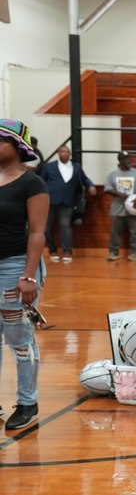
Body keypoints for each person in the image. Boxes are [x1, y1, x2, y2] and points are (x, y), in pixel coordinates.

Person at [0, 119, 48, 431]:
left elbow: (37, 233)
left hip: (16, 266)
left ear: (18, 147)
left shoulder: (32, 184)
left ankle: (28, 402)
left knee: (18, 337)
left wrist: (29, 276)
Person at [38, 144, 96, 263]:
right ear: (58, 153)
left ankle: (67, 252)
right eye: (62, 151)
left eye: (67, 152)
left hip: (68, 201)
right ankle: (52, 250)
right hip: (50, 201)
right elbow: (40, 181)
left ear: (69, 154)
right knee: (47, 226)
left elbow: (85, 179)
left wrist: (91, 185)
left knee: (65, 225)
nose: (64, 153)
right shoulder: (49, 166)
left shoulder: (76, 167)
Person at [104, 151, 136, 262]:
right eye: (126, 159)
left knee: (135, 231)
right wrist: (119, 194)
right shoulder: (113, 174)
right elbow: (107, 188)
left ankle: (135, 252)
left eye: (130, 158)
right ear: (120, 161)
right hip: (117, 209)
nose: (129, 161)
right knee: (115, 232)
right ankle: (113, 252)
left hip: (134, 208)